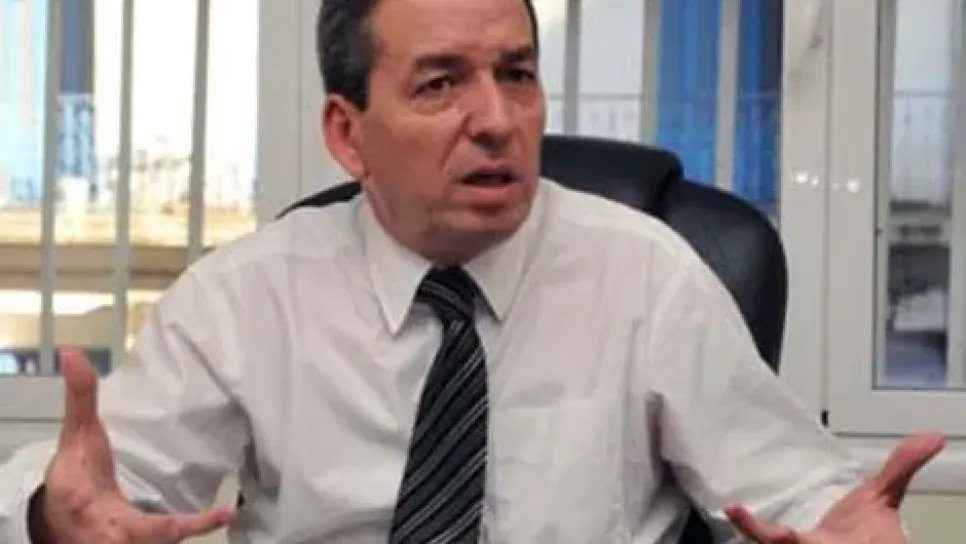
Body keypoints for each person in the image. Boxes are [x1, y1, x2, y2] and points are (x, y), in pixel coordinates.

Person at [0, 0, 946, 542]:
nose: (495, 120)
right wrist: (53, 518)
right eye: (441, 82)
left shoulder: (648, 275)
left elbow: (796, 490)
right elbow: (90, 490)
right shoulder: (247, 297)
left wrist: (839, 525)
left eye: (517, 75)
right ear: (347, 134)